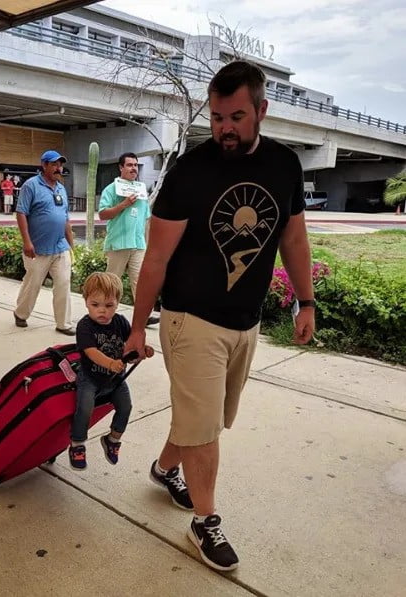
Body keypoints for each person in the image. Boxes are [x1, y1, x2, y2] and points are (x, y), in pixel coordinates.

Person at [125, 60, 315, 572]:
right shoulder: (192, 170)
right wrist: (138, 325)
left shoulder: (284, 165)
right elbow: (157, 256)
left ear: (261, 110)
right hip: (192, 321)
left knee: (207, 418)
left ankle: (166, 468)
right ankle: (205, 521)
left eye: (235, 116)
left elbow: (294, 238)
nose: (225, 128)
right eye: (216, 117)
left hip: (245, 322)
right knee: (205, 429)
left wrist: (306, 301)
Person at [69, 272, 154, 470]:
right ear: (86, 302)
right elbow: (90, 352)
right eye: (95, 305)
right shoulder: (85, 326)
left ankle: (113, 439)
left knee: (126, 406)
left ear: (117, 303)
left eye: (109, 306)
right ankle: (77, 444)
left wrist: (141, 352)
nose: (102, 311)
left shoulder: (121, 322)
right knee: (85, 407)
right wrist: (109, 363)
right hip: (90, 377)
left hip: (115, 378)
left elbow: (130, 347)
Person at [14, 150, 75, 336]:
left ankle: (63, 323)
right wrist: (27, 242)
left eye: (60, 165)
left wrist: (71, 245)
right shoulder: (31, 186)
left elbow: (65, 219)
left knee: (64, 283)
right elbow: (21, 213)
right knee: (33, 284)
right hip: (38, 248)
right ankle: (21, 313)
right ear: (44, 165)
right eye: (55, 164)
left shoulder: (61, 189)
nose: (59, 168)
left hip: (60, 246)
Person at [98, 152, 160, 327]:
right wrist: (123, 204)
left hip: (138, 245)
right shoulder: (111, 189)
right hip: (118, 243)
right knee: (112, 282)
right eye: (129, 165)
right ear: (121, 167)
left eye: (135, 165)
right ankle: (104, 315)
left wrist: (147, 245)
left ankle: (143, 317)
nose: (133, 168)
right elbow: (103, 214)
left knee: (140, 282)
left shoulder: (141, 191)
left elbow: (146, 220)